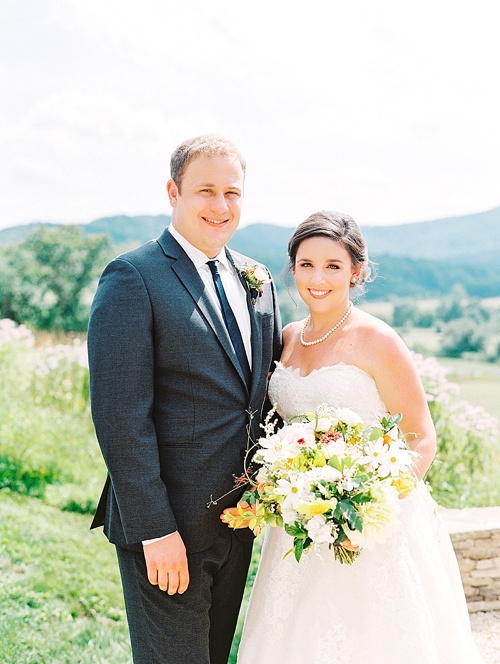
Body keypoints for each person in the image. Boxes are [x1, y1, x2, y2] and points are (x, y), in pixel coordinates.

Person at [231, 211, 482, 663]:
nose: (318, 278)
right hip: (299, 525)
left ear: (356, 271)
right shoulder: (286, 338)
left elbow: (422, 438)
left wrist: (366, 513)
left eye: (333, 266)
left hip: (372, 526)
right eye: (306, 265)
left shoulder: (378, 340)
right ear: (292, 270)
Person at [87, 134, 282, 664]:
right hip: (168, 528)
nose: (220, 207)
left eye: (233, 193)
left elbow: (262, 402)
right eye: (206, 190)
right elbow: (120, 417)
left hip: (236, 522)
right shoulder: (133, 277)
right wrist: (156, 531)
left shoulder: (258, 280)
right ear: (174, 192)